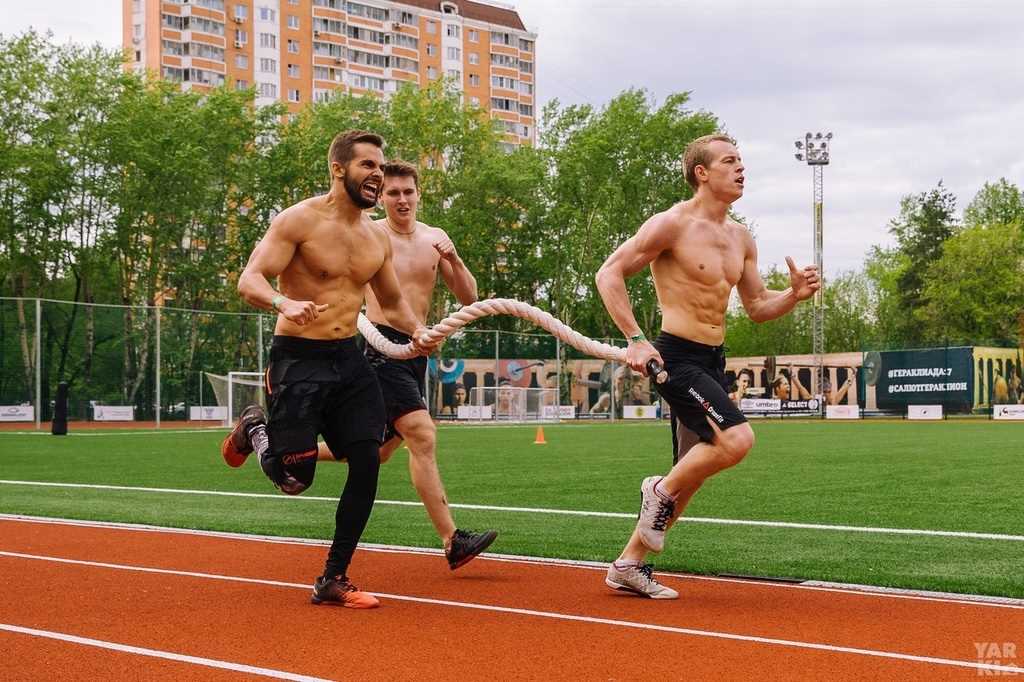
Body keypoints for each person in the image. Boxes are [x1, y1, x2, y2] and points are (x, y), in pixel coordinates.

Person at [594, 133, 819, 599]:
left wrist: (793, 296)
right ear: (702, 172)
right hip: (674, 356)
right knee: (737, 439)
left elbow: (757, 306)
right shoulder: (671, 224)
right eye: (730, 161)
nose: (741, 168)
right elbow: (608, 272)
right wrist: (635, 340)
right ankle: (655, 490)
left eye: (742, 160)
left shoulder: (740, 237)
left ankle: (627, 565)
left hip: (713, 359)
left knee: (690, 475)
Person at [220, 130, 436, 608]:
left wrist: (419, 331)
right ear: (339, 169)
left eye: (380, 167)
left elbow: (395, 304)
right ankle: (255, 429)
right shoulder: (299, 220)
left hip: (348, 361)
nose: (377, 176)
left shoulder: (375, 236)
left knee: (367, 461)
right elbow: (249, 280)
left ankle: (333, 578)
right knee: (293, 479)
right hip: (298, 357)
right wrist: (283, 301)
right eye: (367, 166)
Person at [319, 159, 497, 569]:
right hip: (382, 348)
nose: (401, 199)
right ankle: (452, 539)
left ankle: (282, 452)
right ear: (380, 197)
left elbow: (469, 297)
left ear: (419, 194)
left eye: (408, 192)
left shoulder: (435, 238)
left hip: (417, 351)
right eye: (392, 193)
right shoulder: (368, 235)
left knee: (373, 452)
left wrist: (453, 259)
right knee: (422, 434)